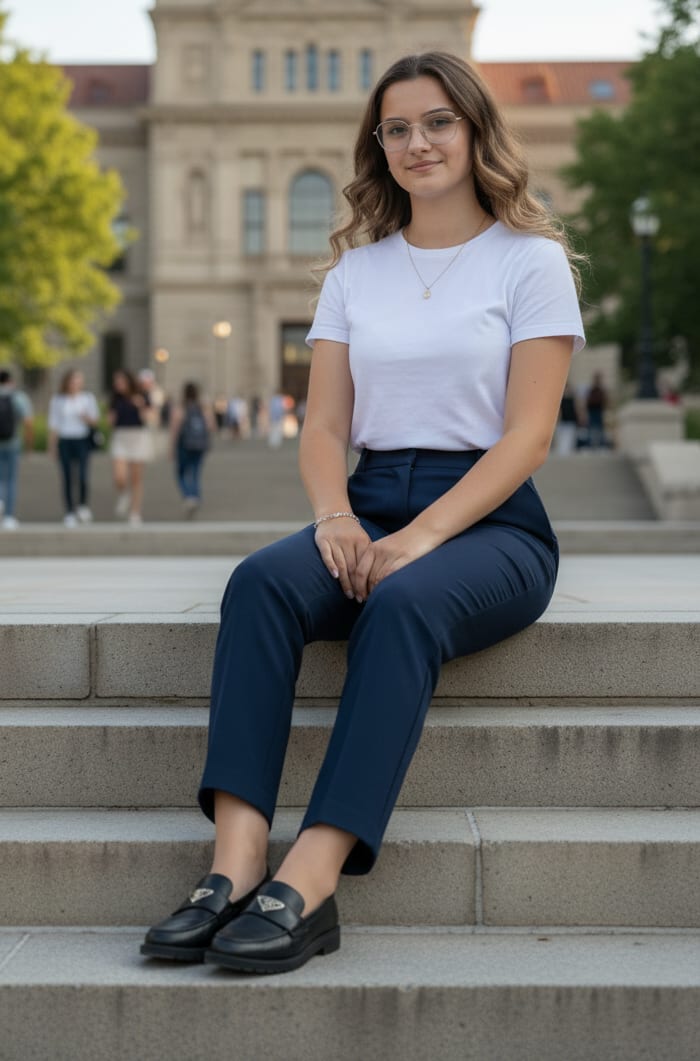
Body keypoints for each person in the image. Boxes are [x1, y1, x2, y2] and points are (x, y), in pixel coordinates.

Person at [142, 51, 584, 974]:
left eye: (438, 122)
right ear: (378, 146)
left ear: (475, 130)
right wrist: (334, 515)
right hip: (373, 499)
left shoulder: (531, 261)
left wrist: (421, 538)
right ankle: (233, 864)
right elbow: (324, 427)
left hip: (493, 524)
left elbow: (528, 436)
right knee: (261, 582)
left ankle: (311, 879)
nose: (418, 142)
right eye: (397, 128)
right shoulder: (356, 272)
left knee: (403, 602)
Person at [48, 369, 100, 527]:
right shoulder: (58, 400)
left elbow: (95, 421)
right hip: (65, 440)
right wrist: (52, 447)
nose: (75, 384)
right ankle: (69, 511)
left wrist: (85, 417)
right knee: (67, 476)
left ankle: (82, 506)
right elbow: (54, 425)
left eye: (78, 380)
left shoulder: (87, 398)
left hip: (82, 439)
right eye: (73, 380)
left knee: (83, 475)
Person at [108, 368, 153, 525]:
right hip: (121, 436)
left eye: (121, 381)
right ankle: (123, 494)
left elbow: (150, 418)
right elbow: (110, 421)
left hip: (138, 436)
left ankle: (135, 512)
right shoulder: (115, 398)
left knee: (136, 478)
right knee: (119, 476)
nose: (118, 384)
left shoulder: (142, 395)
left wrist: (140, 405)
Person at [169, 381, 214, 516]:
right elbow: (211, 426)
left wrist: (171, 447)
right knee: (195, 472)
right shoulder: (202, 408)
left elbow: (175, 429)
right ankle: (195, 496)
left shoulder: (181, 408)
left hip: (184, 445)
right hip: (199, 445)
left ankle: (188, 495)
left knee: (181, 472)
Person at [0, 368, 33, 530]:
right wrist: (29, 446)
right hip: (13, 443)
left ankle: (0, 500)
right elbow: (28, 422)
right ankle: (8, 516)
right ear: (11, 381)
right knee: (11, 479)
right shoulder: (18, 397)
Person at [554, 383, 579, 456]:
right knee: (562, 440)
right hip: (563, 422)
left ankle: (567, 453)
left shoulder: (573, 398)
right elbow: (559, 411)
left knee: (570, 439)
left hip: (571, 421)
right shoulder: (560, 399)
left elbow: (576, 409)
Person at [585, 371, 608, 449]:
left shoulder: (600, 390)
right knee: (592, 428)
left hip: (598, 411)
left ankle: (601, 444)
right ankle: (591, 444)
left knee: (599, 428)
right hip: (593, 411)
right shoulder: (592, 390)